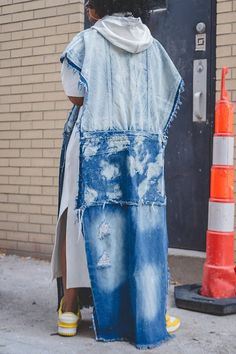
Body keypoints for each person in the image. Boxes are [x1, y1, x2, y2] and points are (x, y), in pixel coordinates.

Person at [51, 0, 184, 349]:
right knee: (141, 221)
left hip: (93, 146)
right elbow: (166, 95)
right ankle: (148, 307)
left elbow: (76, 95)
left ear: (97, 7)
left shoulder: (85, 42)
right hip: (142, 153)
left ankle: (69, 309)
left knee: (82, 219)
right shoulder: (153, 47)